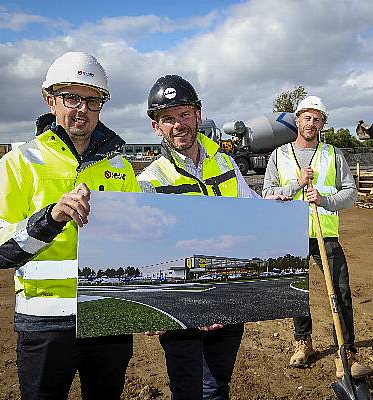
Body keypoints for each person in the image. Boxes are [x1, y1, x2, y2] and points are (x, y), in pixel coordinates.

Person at [0, 51, 140, 399]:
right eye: (71, 97)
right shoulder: (20, 163)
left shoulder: (121, 167)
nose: (82, 108)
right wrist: (49, 220)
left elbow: (139, 241)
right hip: (46, 321)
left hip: (108, 315)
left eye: (92, 100)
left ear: (101, 106)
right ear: (51, 101)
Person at [137, 74, 261, 400]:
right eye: (167, 118)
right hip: (183, 304)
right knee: (191, 390)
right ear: (156, 127)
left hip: (226, 298)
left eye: (184, 114)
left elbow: (252, 213)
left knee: (218, 385)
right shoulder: (149, 181)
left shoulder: (226, 164)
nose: (178, 124)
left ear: (198, 115)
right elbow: (144, 248)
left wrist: (281, 214)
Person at [262, 96, 373, 378]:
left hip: (326, 236)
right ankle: (304, 341)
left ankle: (346, 350)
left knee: (340, 291)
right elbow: (266, 194)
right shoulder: (279, 155)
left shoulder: (333, 154)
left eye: (317, 119)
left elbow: (349, 193)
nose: (311, 123)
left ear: (322, 123)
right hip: (292, 233)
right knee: (298, 294)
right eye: (306, 118)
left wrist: (324, 199)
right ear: (297, 120)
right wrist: (295, 185)